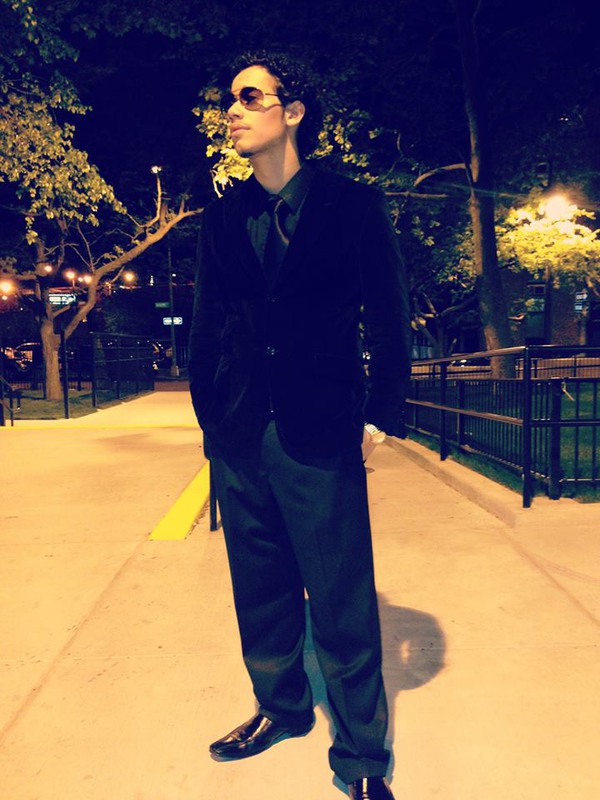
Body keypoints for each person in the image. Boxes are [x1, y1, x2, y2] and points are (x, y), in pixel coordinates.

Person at [188, 51, 411, 800]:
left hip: (320, 430)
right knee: (261, 591)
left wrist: (382, 413)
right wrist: (211, 418)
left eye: (250, 97)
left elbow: (388, 315)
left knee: (342, 602)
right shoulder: (222, 215)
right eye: (229, 99)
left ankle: (362, 757)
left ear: (293, 112)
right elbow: (208, 323)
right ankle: (281, 708)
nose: (232, 111)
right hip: (241, 433)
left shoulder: (353, 205)